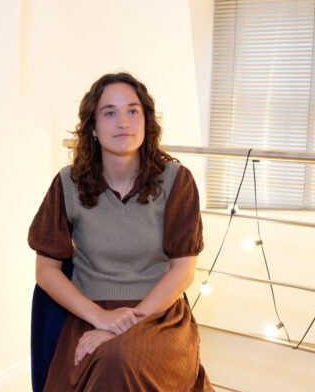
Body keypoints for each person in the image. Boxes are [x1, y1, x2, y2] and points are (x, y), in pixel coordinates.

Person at [28, 72, 212, 391]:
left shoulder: (176, 181)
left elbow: (182, 272)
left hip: (158, 313)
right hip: (91, 313)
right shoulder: (67, 184)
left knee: (120, 359)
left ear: (146, 122)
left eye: (132, 110)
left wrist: (123, 325)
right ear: (94, 129)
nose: (123, 121)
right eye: (109, 112)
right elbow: (46, 271)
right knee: (112, 360)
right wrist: (101, 319)